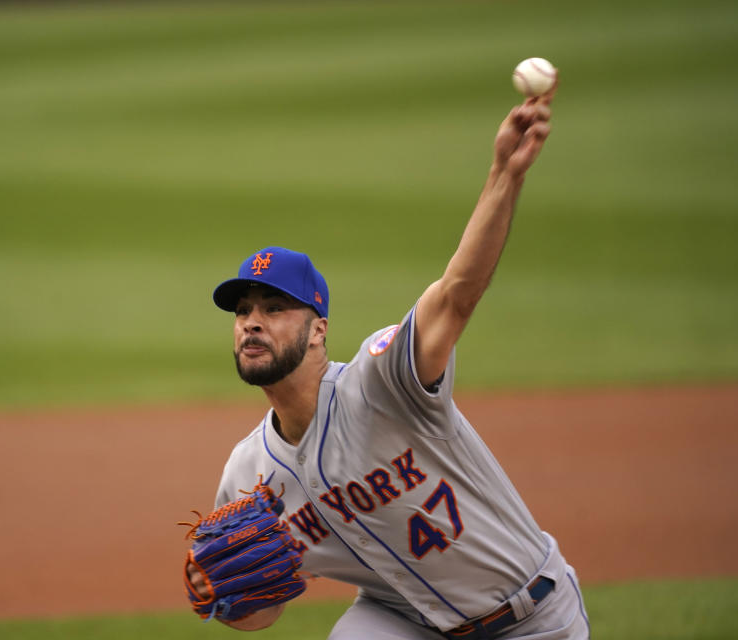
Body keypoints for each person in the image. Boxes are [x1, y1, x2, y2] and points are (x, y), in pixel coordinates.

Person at [193, 85, 591, 639]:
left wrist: (506, 173)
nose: (251, 322)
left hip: (531, 615)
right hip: (403, 619)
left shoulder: (383, 383)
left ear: (317, 332)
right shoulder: (248, 475)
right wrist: (227, 597)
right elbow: (260, 614)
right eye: (242, 311)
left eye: (275, 307)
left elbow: (455, 294)